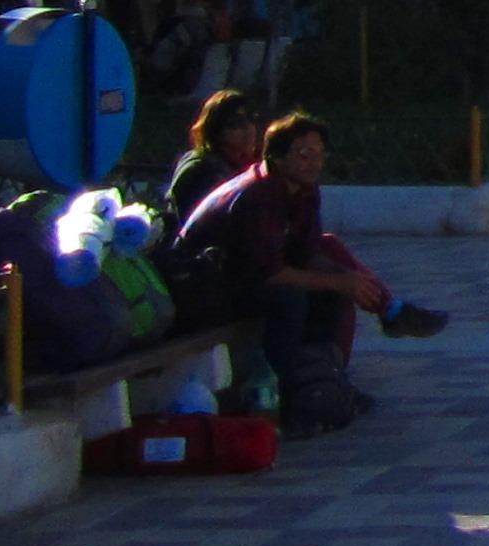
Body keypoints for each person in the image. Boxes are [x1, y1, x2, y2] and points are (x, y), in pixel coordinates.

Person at [173, 110, 444, 432]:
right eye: (304, 154)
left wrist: (349, 280)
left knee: (333, 291)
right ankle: (287, 396)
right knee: (288, 300)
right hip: (201, 288)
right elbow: (268, 273)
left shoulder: (303, 190)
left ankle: (326, 383)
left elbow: (308, 252)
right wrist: (337, 280)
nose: (314, 163)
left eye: (319, 154)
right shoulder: (259, 194)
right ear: (277, 157)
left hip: (243, 278)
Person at [158, 86, 265, 243]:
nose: (248, 129)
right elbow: (193, 229)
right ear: (216, 130)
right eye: (235, 124)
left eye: (251, 120)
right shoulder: (199, 169)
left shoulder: (250, 168)